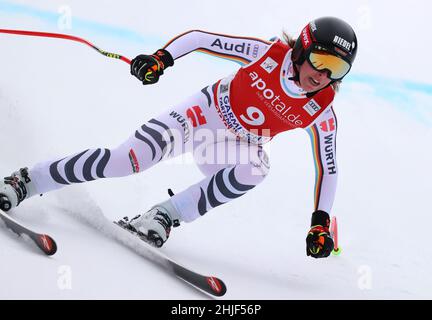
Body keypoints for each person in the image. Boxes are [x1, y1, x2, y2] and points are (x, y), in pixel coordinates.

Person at [0, 16, 357, 258]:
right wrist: (162, 58)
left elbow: (329, 167)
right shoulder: (268, 54)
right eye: (321, 59)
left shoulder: (322, 109)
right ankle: (27, 180)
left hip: (235, 146)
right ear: (301, 50)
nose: (324, 75)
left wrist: (320, 223)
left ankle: (164, 216)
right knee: (126, 161)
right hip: (202, 115)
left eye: (338, 69)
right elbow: (202, 39)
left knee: (257, 168)